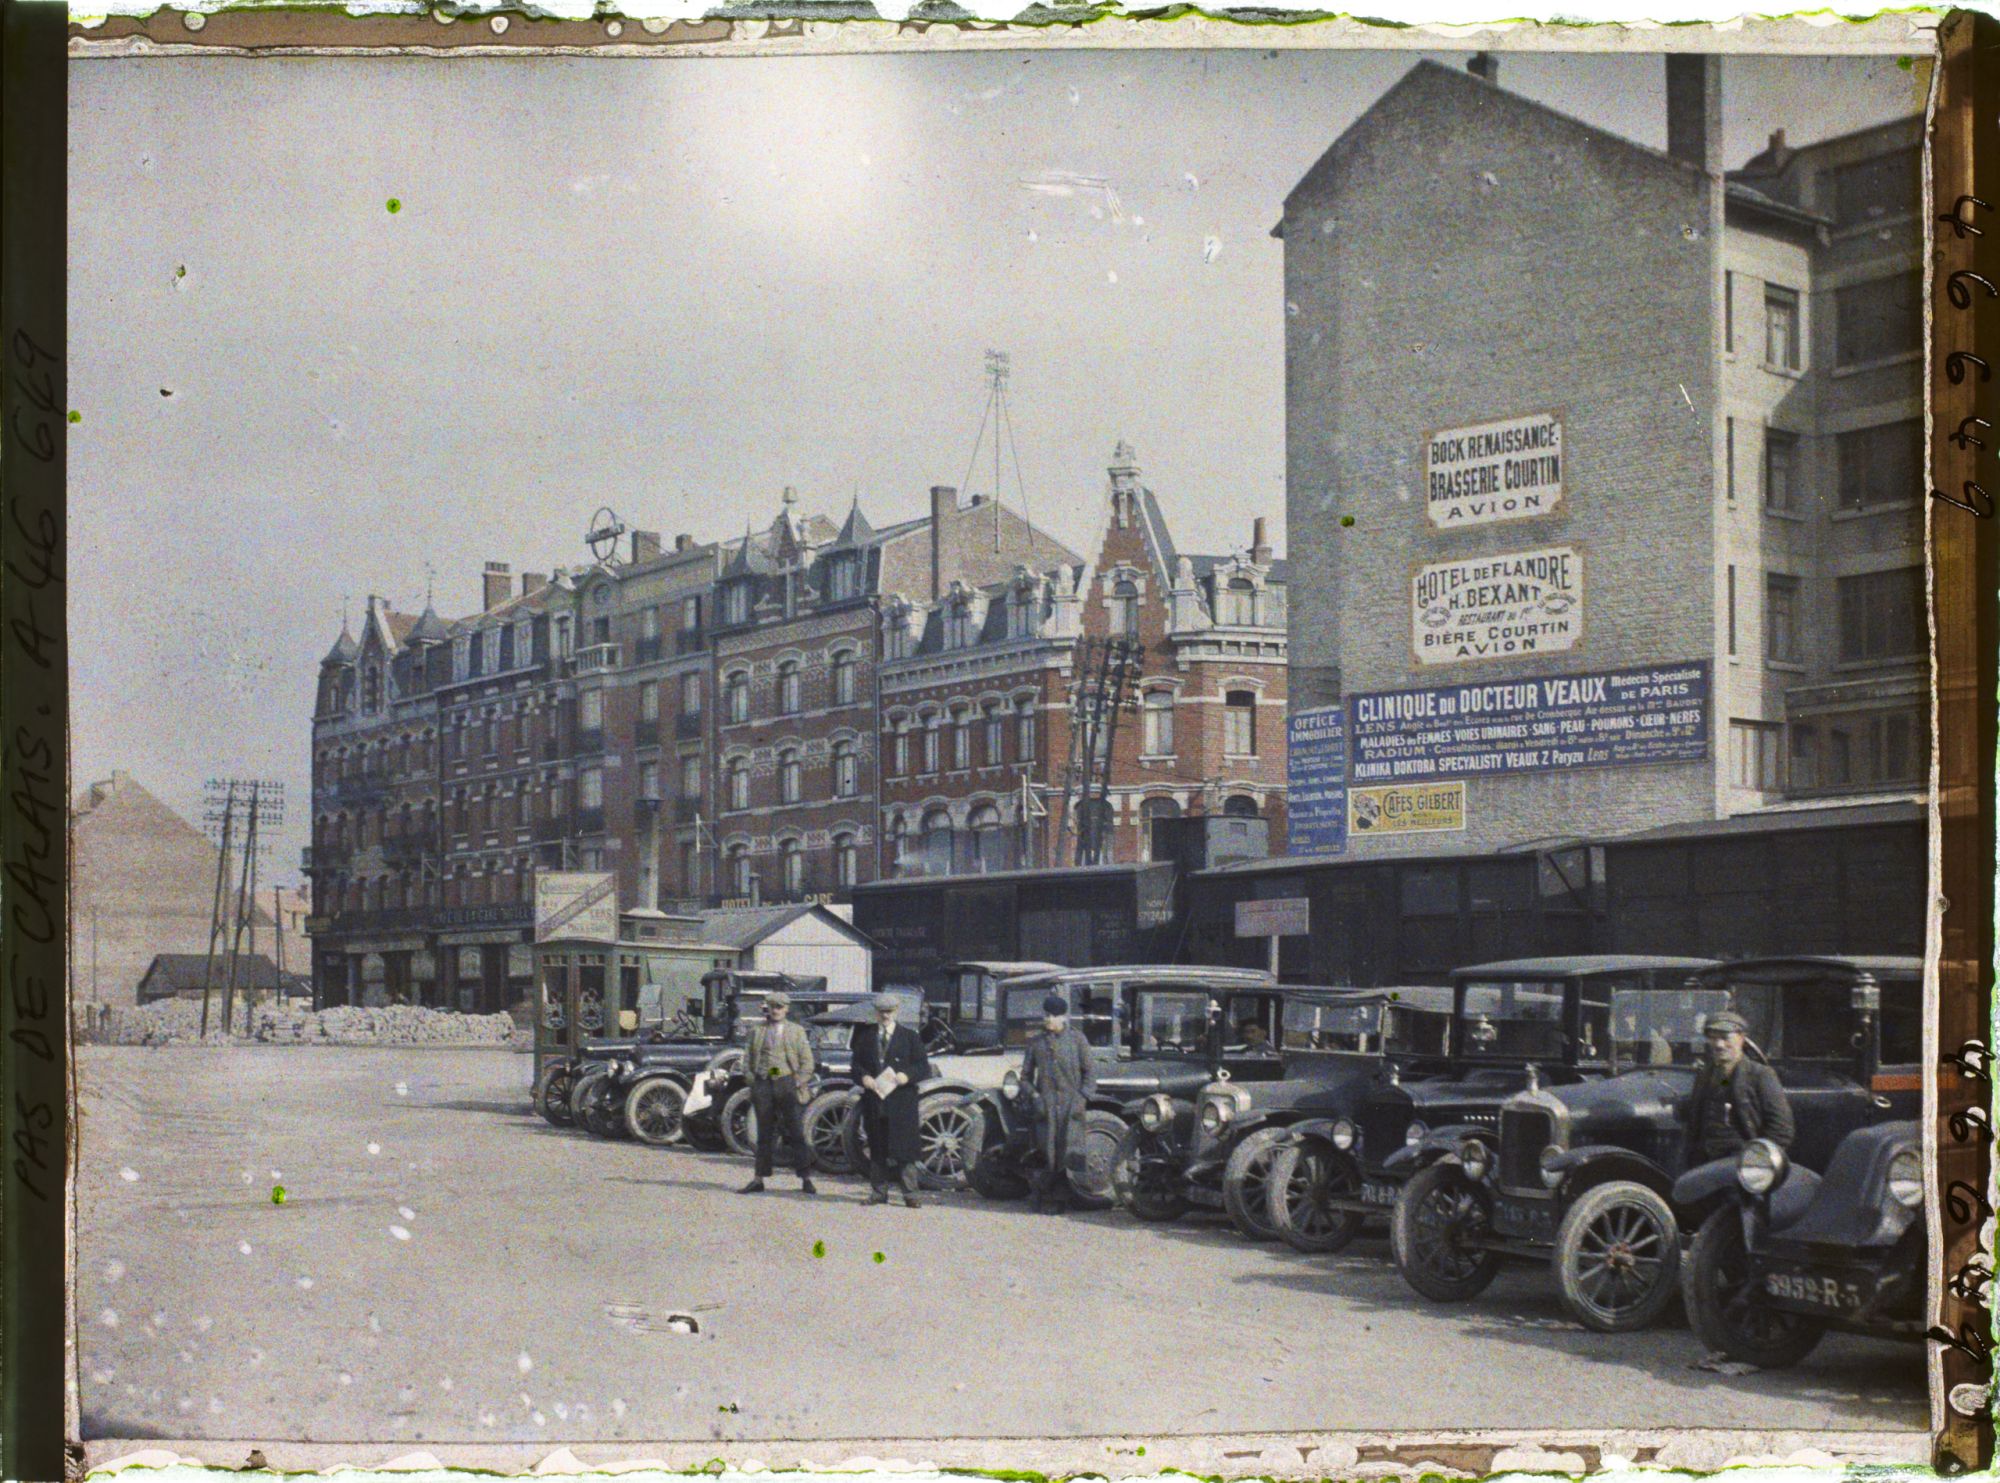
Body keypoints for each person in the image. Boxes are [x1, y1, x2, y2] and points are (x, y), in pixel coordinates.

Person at [853, 993, 934, 1207]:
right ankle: (879, 1193)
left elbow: (923, 1066)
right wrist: (864, 1077)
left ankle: (911, 1195)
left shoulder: (910, 1037)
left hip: (902, 1102)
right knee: (877, 1147)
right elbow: (856, 1066)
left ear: (896, 1012)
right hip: (875, 1101)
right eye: (881, 1012)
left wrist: (906, 1076)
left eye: (889, 1012)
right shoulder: (865, 1036)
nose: (885, 1015)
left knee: (905, 1149)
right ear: (876, 1013)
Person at [1683, 1009, 1794, 1163]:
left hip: (1743, 1164)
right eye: (1713, 1038)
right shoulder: (1705, 1075)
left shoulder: (1760, 1075)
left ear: (1741, 1038)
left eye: (1725, 1038)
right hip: (1705, 1163)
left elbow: (1781, 1128)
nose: (1719, 1044)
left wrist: (1757, 1161)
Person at [1021, 993, 1095, 1214]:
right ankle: (1046, 1195)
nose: (1048, 1020)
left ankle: (1063, 1196)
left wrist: (1082, 1099)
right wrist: (1035, 1098)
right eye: (1046, 1015)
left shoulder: (1077, 1040)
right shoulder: (1036, 1043)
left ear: (1064, 1017)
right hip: (1045, 1107)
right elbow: (1024, 1078)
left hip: (1071, 1107)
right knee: (1047, 1152)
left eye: (1053, 1015)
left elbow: (1090, 1073)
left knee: (1068, 1153)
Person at [740, 990, 817, 1195]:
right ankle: (758, 1179)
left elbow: (808, 1061)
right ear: (767, 1008)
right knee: (764, 1133)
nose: (776, 1011)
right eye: (772, 1007)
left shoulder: (796, 1031)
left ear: (787, 1009)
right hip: (763, 1084)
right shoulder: (757, 1031)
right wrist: (752, 1080)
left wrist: (798, 1080)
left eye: (780, 1007)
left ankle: (806, 1179)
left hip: (786, 1083)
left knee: (796, 1132)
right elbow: (746, 1059)